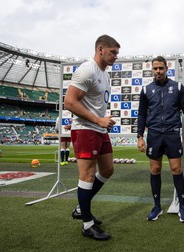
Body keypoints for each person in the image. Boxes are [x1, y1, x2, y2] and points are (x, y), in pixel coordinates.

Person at [64, 34, 120, 241]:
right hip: (86, 129)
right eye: (113, 52)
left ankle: (81, 207)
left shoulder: (104, 74)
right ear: (100, 50)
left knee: (107, 169)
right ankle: (87, 224)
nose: (115, 56)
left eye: (117, 53)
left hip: (98, 129)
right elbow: (69, 102)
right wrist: (98, 120)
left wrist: (102, 121)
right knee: (87, 175)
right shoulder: (87, 69)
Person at [137, 56, 184, 223]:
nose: (158, 71)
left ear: (166, 68)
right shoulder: (146, 90)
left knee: (176, 169)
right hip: (154, 134)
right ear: (152, 70)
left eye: (161, 68)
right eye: (155, 69)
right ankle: (157, 206)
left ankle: (182, 206)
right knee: (155, 170)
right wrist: (140, 136)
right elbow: (141, 114)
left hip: (172, 133)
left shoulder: (177, 87)